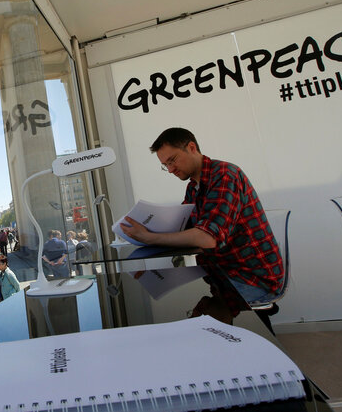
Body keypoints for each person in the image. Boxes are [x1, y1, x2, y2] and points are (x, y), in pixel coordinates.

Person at [120, 127, 284, 307]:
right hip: (222, 272)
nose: (170, 170)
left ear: (191, 148)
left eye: (172, 160)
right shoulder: (193, 187)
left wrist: (150, 237)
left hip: (251, 278)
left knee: (178, 310)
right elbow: (183, 229)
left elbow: (207, 238)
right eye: (165, 165)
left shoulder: (225, 175)